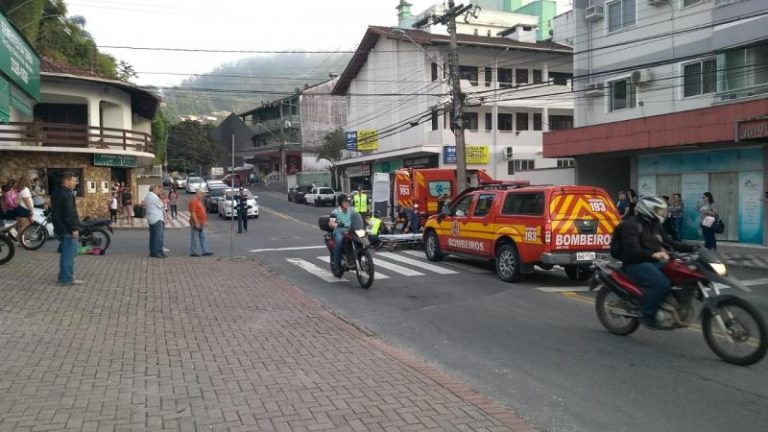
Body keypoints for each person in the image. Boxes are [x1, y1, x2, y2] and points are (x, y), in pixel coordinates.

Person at [618, 196, 695, 328]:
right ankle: (647, 314)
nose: (662, 213)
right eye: (658, 210)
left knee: (679, 274)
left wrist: (693, 248)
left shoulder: (654, 224)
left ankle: (670, 304)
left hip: (654, 261)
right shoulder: (631, 225)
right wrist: (654, 254)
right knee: (662, 284)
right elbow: (633, 250)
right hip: (635, 263)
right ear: (648, 209)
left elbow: (670, 242)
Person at [51, 172, 82, 286]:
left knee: (65, 254)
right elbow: (70, 213)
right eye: (73, 181)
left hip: (59, 227)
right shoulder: (68, 194)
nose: (75, 183)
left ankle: (63, 276)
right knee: (69, 255)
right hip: (67, 229)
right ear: (66, 181)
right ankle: (66, 278)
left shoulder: (56, 192)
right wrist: (74, 228)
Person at [328, 194, 355, 270]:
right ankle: (337, 263)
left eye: (348, 201)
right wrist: (335, 224)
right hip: (340, 231)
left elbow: (358, 217)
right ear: (340, 203)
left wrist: (366, 220)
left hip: (351, 230)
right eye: (345, 202)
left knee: (361, 239)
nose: (347, 203)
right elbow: (330, 223)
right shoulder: (335, 212)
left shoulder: (352, 210)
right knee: (339, 242)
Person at [144, 185, 166, 259]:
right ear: (153, 189)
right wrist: (163, 201)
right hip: (157, 218)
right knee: (158, 237)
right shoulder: (154, 196)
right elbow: (161, 205)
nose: (158, 191)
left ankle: (153, 252)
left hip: (151, 218)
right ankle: (158, 252)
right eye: (157, 189)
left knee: (153, 237)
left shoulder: (147, 196)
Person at [189, 189, 213, 257]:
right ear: (198, 194)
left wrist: (204, 222)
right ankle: (193, 252)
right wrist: (196, 223)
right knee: (195, 237)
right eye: (202, 194)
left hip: (200, 223)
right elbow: (193, 213)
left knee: (202, 237)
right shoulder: (193, 202)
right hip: (196, 223)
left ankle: (205, 251)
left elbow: (201, 212)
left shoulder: (199, 201)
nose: (203, 196)